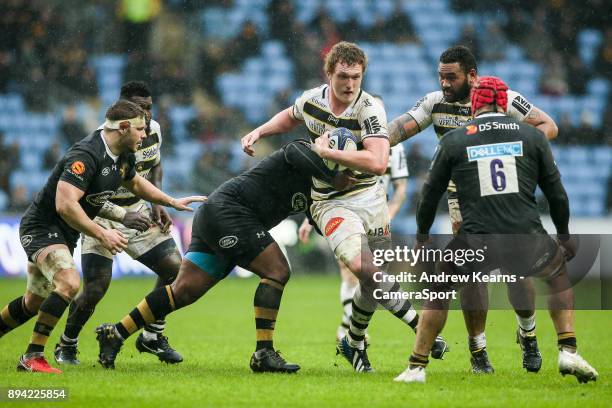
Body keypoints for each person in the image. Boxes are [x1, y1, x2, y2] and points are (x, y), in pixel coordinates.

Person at [241, 41, 447, 373]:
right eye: (343, 77)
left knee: (372, 280)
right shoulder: (311, 100)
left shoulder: (369, 108)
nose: (350, 84)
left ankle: (353, 340)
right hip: (330, 203)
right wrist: (259, 130)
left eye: (356, 77)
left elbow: (379, 162)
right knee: (362, 267)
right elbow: (291, 116)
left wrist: (328, 153)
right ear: (329, 74)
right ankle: (419, 324)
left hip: (371, 198)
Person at [394, 76, 598, 384]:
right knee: (557, 275)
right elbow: (556, 194)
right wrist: (565, 235)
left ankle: (416, 367)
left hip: (476, 237)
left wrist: (422, 237)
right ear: (504, 103)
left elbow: (429, 195)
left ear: (474, 104)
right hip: (525, 236)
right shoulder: (532, 136)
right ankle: (568, 349)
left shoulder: (454, 139)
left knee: (439, 292)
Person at [95, 140, 352, 373]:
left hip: (218, 216)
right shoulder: (302, 150)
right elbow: (295, 150)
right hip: (229, 213)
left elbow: (323, 219)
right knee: (277, 271)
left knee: (184, 290)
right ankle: (264, 353)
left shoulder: (318, 190)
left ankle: (115, 333)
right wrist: (332, 177)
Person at [388, 45, 559, 374]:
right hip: (462, 201)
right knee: (471, 271)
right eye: (440, 77)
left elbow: (548, 127)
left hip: (503, 194)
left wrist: (519, 157)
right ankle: (478, 349)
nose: (444, 84)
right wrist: (372, 142)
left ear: (472, 76)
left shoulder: (503, 99)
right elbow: (400, 128)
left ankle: (529, 333)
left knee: (516, 270)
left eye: (451, 77)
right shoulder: (434, 103)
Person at [0, 100, 205, 373]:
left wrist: (170, 201)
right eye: (140, 129)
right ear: (123, 127)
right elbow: (65, 204)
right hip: (42, 228)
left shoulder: (122, 153)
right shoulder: (86, 155)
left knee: (33, 302)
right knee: (70, 283)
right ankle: (32, 356)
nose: (145, 136)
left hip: (66, 232)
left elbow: (135, 183)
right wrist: (102, 233)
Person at [54, 81, 184, 366]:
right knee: (96, 288)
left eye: (150, 107)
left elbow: (155, 165)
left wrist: (157, 203)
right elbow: (87, 195)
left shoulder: (154, 130)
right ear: (124, 111)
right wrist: (122, 216)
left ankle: (151, 336)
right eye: (141, 108)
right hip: (101, 214)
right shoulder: (102, 142)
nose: (147, 114)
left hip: (138, 210)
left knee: (176, 270)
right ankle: (67, 344)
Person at [297, 95, 409, 342]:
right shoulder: (345, 141)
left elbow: (401, 187)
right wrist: (310, 219)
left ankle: (350, 327)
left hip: (377, 211)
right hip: (347, 211)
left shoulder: (394, 148)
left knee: (374, 276)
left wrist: (390, 213)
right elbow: (326, 184)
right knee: (351, 271)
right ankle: (351, 329)